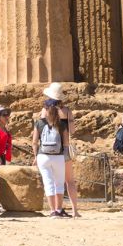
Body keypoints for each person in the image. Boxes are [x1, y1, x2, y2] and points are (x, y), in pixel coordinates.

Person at [44, 81, 81, 219]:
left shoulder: (45, 111)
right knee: (69, 181)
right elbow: (72, 130)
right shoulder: (66, 111)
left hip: (49, 149)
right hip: (63, 149)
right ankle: (75, 210)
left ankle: (54, 209)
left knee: (52, 181)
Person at [33, 97, 68, 217]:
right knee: (59, 183)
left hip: (43, 156)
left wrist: (35, 156)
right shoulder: (62, 124)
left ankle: (52, 211)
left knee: (48, 183)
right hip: (58, 156)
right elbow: (66, 143)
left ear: (45, 109)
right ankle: (59, 210)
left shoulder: (39, 123)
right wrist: (66, 157)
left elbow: (34, 142)